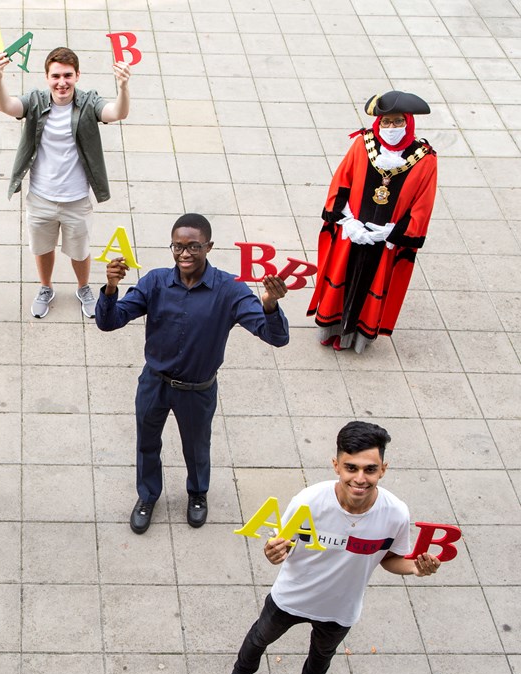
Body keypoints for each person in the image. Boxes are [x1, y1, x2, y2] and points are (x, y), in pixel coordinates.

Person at [215, 421, 442, 674]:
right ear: (336, 465)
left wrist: (417, 569)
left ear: (383, 469)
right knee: (258, 640)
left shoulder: (396, 514)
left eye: (370, 469)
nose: (360, 478)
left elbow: (391, 559)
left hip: (341, 606)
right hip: (293, 596)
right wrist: (273, 553)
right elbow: (283, 545)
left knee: (322, 656)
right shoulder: (309, 501)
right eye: (351, 467)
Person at [96, 213, 289, 534]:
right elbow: (109, 321)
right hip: (153, 383)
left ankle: (198, 493)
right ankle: (147, 496)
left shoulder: (230, 290)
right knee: (146, 443)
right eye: (178, 246)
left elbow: (276, 338)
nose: (185, 254)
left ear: (209, 246)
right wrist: (111, 287)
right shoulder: (155, 281)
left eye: (194, 246)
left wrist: (269, 305)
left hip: (198, 389)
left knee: (197, 446)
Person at [0, 46, 131, 319]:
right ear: (47, 78)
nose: (62, 82)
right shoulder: (36, 100)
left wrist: (124, 87)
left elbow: (117, 113)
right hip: (41, 197)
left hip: (76, 198)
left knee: (79, 251)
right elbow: (6, 106)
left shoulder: (89, 102)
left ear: (77, 75)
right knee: (42, 249)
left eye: (68, 75)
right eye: (56, 76)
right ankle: (45, 288)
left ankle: (83, 288)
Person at [307, 90, 438, 353]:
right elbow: (341, 182)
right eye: (386, 122)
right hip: (352, 233)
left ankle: (357, 337)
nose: (391, 127)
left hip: (384, 240)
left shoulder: (425, 159)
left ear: (408, 122)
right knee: (340, 279)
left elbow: (423, 205)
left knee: (371, 286)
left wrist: (393, 232)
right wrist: (347, 221)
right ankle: (331, 329)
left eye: (398, 121)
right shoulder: (362, 144)